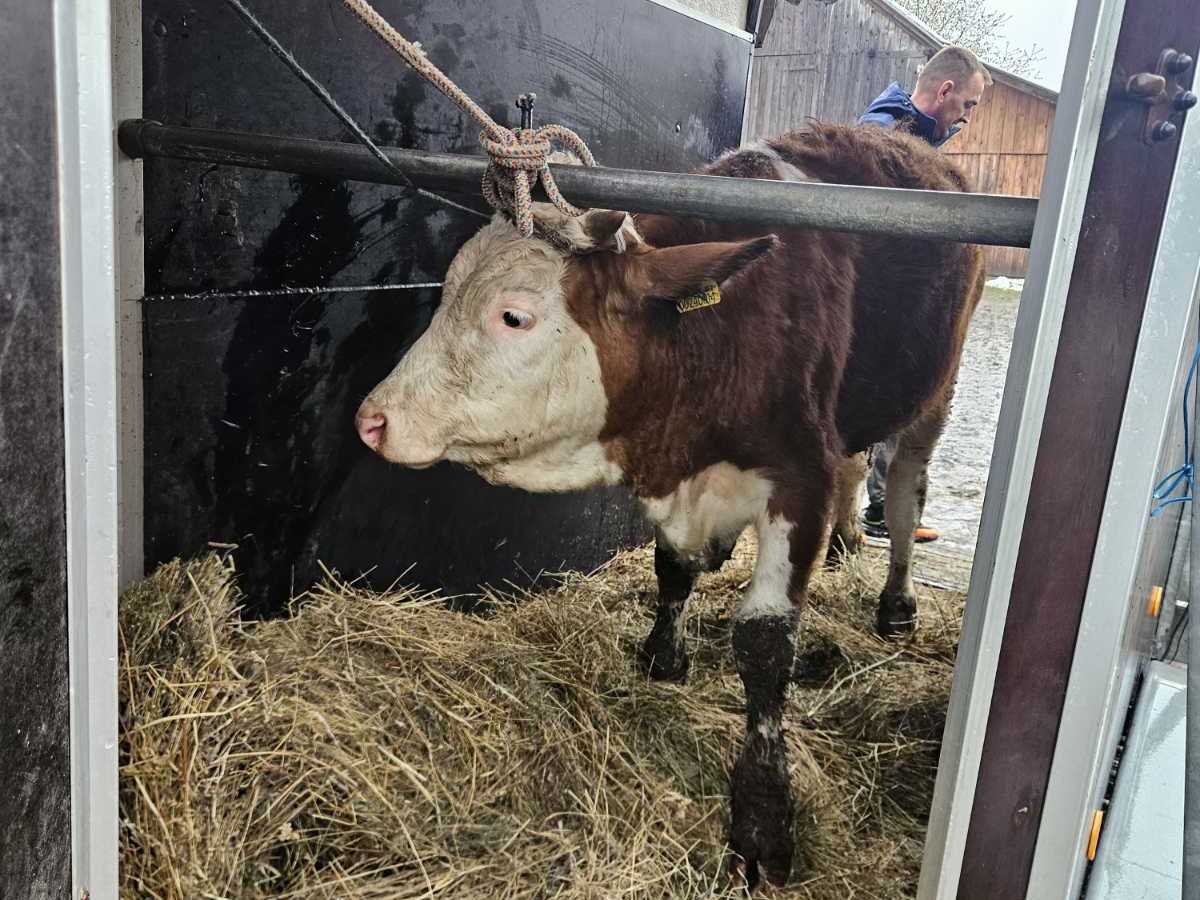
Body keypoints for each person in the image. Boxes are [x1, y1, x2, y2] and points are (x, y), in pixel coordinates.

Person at [856, 46, 992, 543]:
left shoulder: (915, 130)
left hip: (887, 289)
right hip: (878, 293)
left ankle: (874, 509)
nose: (968, 118)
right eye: (969, 105)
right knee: (903, 391)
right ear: (946, 90)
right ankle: (878, 510)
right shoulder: (886, 133)